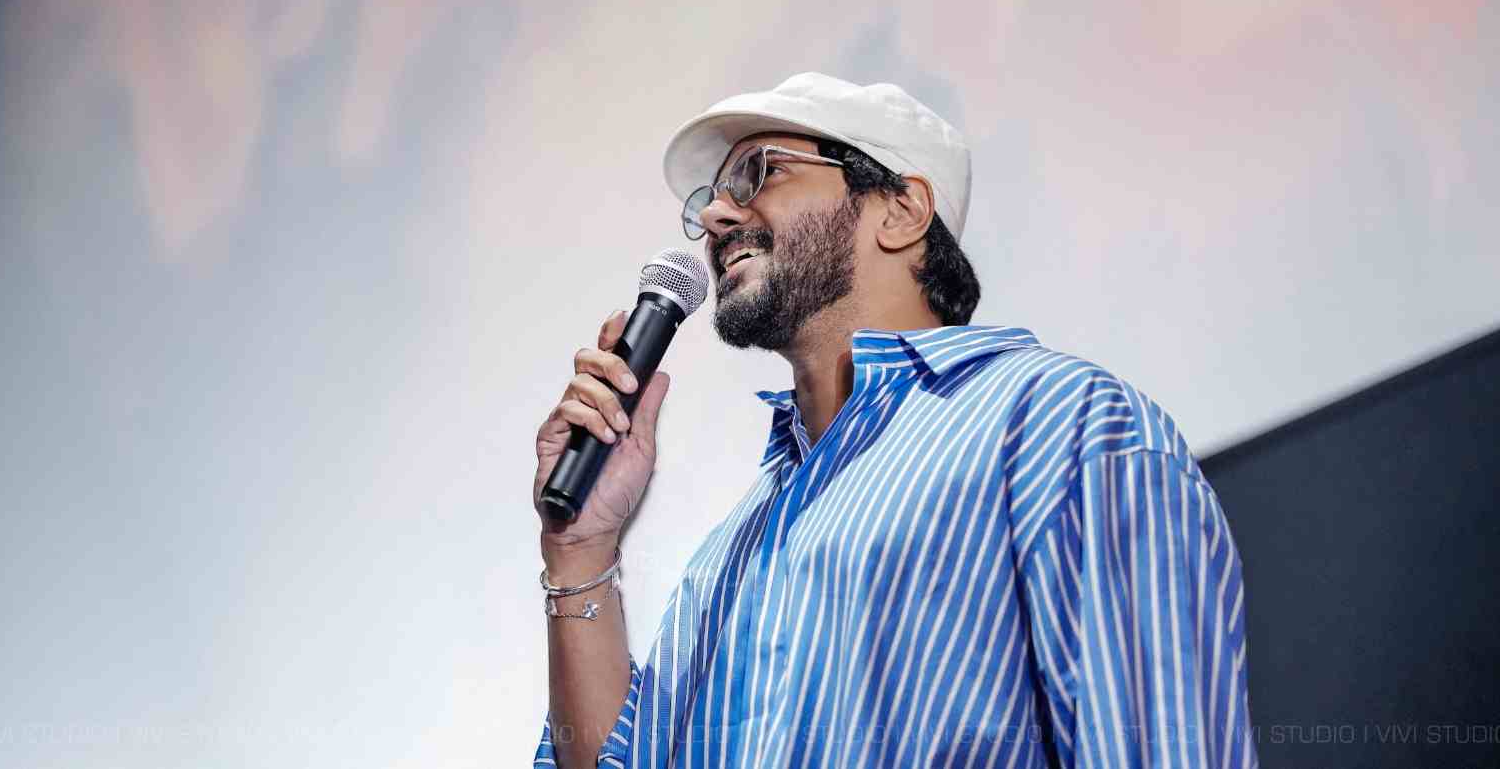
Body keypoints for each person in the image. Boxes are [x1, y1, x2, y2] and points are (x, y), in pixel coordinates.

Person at [531, 72, 1258, 768]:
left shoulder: (1057, 427)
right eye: (711, 200)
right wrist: (580, 550)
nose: (718, 217)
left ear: (902, 210)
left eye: (759, 173)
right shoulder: (731, 552)